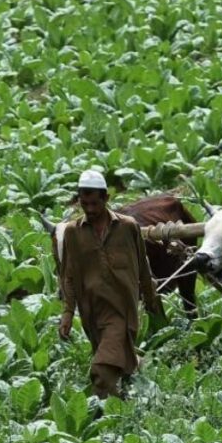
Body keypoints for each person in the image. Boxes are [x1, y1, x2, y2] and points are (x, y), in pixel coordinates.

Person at [58, 169, 164, 399]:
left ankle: (102, 416)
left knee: (101, 369)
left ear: (106, 198)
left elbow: (143, 267)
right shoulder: (73, 233)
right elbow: (68, 275)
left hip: (122, 311)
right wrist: (68, 312)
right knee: (115, 366)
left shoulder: (128, 227)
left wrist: (151, 297)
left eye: (95, 203)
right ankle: (125, 407)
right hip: (92, 314)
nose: (90, 209)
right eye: (84, 204)